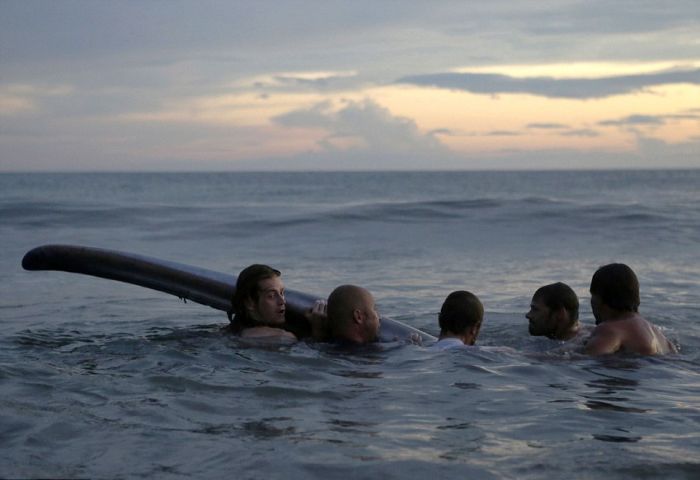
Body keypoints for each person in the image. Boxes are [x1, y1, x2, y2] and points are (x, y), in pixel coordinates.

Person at [584, 263, 676, 355]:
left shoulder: (609, 329)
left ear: (599, 299)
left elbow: (591, 358)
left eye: (593, 295)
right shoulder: (660, 336)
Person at [229, 264, 296, 341]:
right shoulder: (282, 337)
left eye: (282, 293)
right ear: (249, 303)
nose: (282, 301)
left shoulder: (232, 331)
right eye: (271, 296)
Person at [310, 284, 380, 344]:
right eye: (374, 309)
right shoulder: (372, 353)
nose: (379, 316)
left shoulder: (328, 349)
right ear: (358, 317)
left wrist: (318, 334)